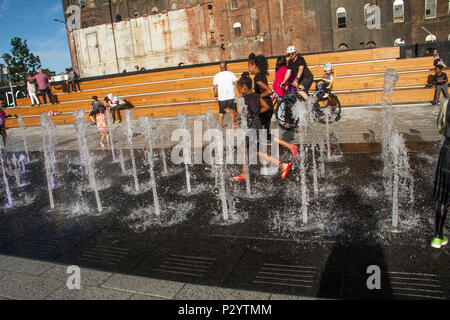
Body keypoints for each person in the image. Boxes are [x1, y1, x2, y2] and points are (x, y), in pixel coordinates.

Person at [230, 73, 293, 182]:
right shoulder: (255, 95)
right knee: (255, 151)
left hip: (253, 128)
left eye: (239, 88)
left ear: (245, 88)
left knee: (243, 148)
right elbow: (266, 106)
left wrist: (232, 112)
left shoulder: (245, 99)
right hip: (257, 125)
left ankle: (245, 174)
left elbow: (243, 115)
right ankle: (282, 164)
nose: (239, 91)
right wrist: (256, 114)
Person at [432, 98, 450, 248]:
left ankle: (438, 236)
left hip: (448, 151)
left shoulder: (447, 103)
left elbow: (440, 126)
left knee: (443, 197)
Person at [248, 53, 274, 134]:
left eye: (249, 66)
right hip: (268, 106)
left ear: (255, 65)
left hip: (264, 107)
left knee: (258, 131)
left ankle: (287, 145)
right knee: (265, 133)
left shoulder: (257, 78)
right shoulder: (262, 75)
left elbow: (269, 91)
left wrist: (257, 96)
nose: (249, 69)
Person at [213, 61, 238, 128]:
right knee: (232, 111)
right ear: (226, 66)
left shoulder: (216, 76)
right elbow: (236, 84)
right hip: (231, 96)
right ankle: (233, 124)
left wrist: (216, 96)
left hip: (222, 97)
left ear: (220, 67)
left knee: (221, 112)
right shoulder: (232, 74)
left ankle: (221, 125)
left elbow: (214, 87)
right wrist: (240, 92)